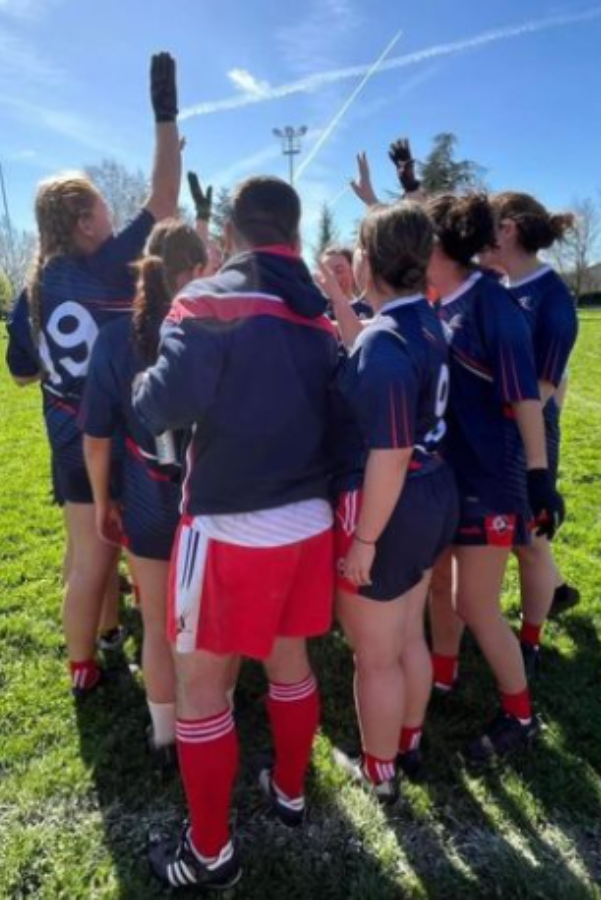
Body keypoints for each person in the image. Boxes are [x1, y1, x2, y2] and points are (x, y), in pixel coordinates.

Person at [134, 175, 340, 889]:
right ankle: (288, 793)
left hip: (228, 526)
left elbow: (165, 402)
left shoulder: (209, 297)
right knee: (290, 665)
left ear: (233, 227)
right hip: (309, 523)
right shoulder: (319, 315)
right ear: (292, 227)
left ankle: (211, 853)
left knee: (201, 691)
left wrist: (143, 382)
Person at [5, 52, 181, 702]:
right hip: (112, 434)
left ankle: (87, 659)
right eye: (103, 208)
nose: (112, 216)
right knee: (121, 548)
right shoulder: (109, 264)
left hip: (63, 436)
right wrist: (165, 118)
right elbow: (163, 201)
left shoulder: (32, 289)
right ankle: (133, 649)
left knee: (84, 557)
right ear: (84, 223)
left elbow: (23, 376)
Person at [328, 202, 459, 801]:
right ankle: (407, 740)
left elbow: (390, 452)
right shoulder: (426, 320)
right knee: (408, 633)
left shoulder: (386, 340)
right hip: (434, 494)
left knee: (374, 656)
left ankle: (378, 772)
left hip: (392, 505)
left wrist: (364, 539)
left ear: (371, 259)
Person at [422, 193, 555, 765]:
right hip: (446, 474)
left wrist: (538, 479)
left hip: (491, 479)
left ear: (439, 243)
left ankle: (521, 716)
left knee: (476, 603)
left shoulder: (489, 305)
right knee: (437, 587)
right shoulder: (439, 298)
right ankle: (443, 679)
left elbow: (526, 401)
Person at [80, 220, 208, 770]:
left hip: (148, 496)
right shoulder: (215, 329)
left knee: (156, 624)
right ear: (197, 271)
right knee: (205, 623)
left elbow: (95, 438)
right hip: (210, 499)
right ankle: (210, 717)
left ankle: (165, 738)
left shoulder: (114, 339)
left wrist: (101, 500)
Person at [484, 190, 581, 673]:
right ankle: (556, 593)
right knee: (519, 536)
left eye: (491, 222)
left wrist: (492, 422)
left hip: (529, 430)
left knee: (530, 540)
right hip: (497, 426)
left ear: (511, 228)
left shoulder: (550, 295)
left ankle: (531, 639)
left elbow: (544, 386)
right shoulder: (500, 284)